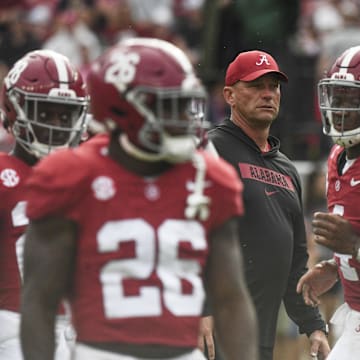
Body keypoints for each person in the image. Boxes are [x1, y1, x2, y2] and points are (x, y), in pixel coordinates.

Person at [20, 37, 258, 360]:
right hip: (103, 353)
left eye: (183, 104)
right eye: (166, 105)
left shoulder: (211, 178)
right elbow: (39, 301)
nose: (181, 119)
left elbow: (231, 299)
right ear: (121, 107)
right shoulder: (71, 176)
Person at [207, 49, 330, 360]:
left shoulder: (287, 170)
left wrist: (313, 326)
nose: (267, 94)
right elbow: (185, 239)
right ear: (229, 95)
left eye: (273, 86)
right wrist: (199, 311)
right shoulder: (210, 151)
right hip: (211, 334)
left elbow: (295, 263)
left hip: (258, 342)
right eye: (255, 85)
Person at [0, 49, 89, 359]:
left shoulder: (87, 179)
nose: (56, 124)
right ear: (13, 111)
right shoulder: (3, 175)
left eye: (65, 115)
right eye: (44, 112)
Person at [297, 45, 360, 360]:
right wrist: (337, 267)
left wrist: (355, 248)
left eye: (352, 100)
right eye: (337, 97)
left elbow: (354, 240)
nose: (340, 108)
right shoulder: (337, 157)